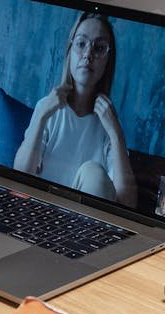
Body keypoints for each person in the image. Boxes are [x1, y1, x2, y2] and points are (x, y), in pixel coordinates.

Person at [12, 12, 137, 206]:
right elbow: (19, 176)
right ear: (70, 52)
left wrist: (115, 133)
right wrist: (42, 116)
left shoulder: (109, 124)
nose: (88, 54)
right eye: (81, 44)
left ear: (107, 61)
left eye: (99, 48)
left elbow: (128, 203)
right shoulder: (47, 108)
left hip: (84, 226)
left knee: (93, 173)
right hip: (40, 212)